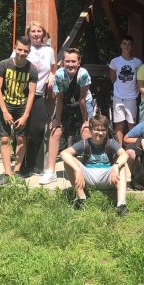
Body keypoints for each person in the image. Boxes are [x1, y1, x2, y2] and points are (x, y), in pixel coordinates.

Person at [59, 114, 130, 215]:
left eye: (103, 130)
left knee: (121, 165)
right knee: (69, 161)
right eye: (97, 129)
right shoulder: (85, 143)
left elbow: (124, 154)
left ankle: (121, 205)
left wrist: (116, 165)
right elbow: (63, 153)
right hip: (88, 176)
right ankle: (81, 198)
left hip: (107, 177)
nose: (100, 133)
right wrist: (78, 170)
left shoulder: (111, 142)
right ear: (91, 130)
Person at [12, 21, 56, 177]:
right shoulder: (23, 48)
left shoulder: (49, 51)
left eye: (39, 31)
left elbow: (51, 69)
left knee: (37, 129)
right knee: (21, 130)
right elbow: (12, 65)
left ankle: (34, 165)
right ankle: (20, 165)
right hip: (20, 94)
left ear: (43, 34)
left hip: (38, 94)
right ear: (29, 33)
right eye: (33, 31)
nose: (36, 34)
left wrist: (51, 75)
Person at [44, 48, 94, 185]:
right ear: (63, 62)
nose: (70, 64)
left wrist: (85, 121)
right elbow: (59, 99)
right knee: (55, 131)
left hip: (82, 103)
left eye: (73, 61)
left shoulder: (83, 75)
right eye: (67, 61)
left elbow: (83, 99)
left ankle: (89, 168)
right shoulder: (59, 75)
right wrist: (57, 120)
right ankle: (51, 171)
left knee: (86, 131)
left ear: (79, 62)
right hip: (65, 102)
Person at [0, 36, 38, 184]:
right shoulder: (4, 65)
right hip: (6, 105)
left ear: (29, 51)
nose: (22, 53)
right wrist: (5, 111)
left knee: (21, 139)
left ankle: (17, 170)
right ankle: (7, 174)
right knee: (5, 139)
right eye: (19, 49)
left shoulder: (32, 69)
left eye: (25, 51)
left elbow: (32, 94)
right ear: (15, 48)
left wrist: (26, 115)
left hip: (22, 106)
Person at [109, 35, 143, 144]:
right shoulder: (115, 61)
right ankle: (118, 149)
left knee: (131, 124)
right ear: (121, 46)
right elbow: (113, 79)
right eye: (124, 44)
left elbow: (139, 79)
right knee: (119, 124)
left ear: (132, 46)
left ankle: (132, 150)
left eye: (129, 44)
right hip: (118, 96)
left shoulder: (138, 62)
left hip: (132, 97)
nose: (126, 46)